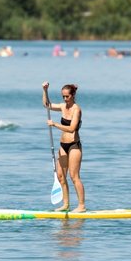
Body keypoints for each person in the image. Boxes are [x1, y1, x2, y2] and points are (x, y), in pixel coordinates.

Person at [42, 81, 85, 213]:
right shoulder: (62, 106)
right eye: (63, 97)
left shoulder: (76, 110)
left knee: (74, 176)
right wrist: (45, 90)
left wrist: (54, 124)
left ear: (73, 95)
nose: (65, 99)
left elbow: (72, 129)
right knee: (61, 176)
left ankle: (81, 206)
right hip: (62, 146)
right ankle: (66, 205)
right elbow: (47, 105)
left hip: (74, 146)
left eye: (67, 96)